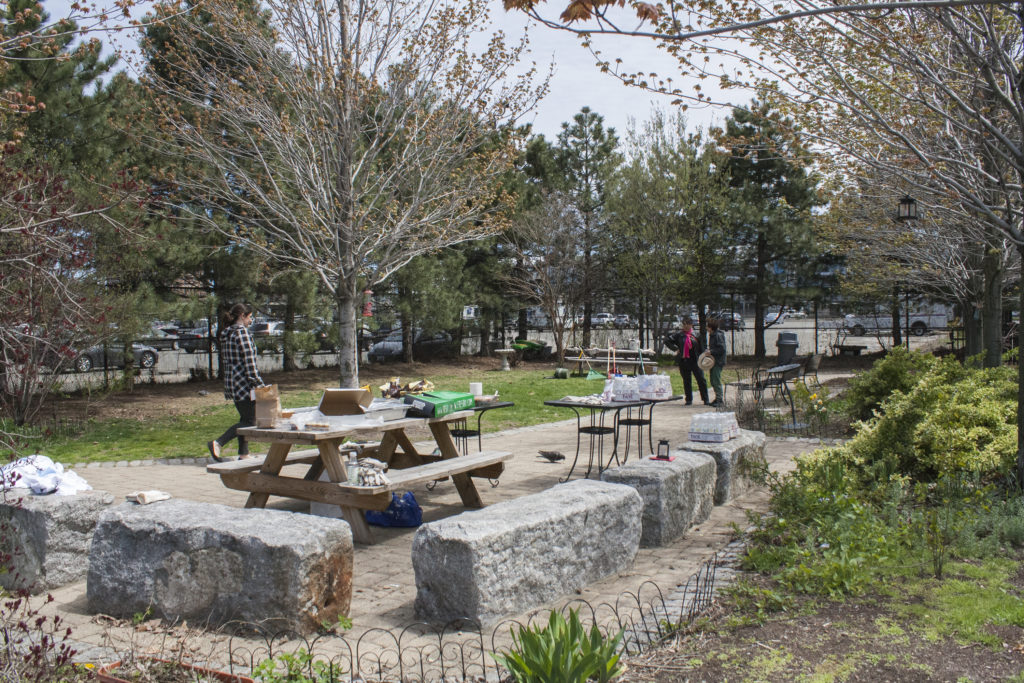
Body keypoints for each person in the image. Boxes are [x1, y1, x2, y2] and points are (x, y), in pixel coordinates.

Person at [207, 303, 266, 462]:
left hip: (233, 385)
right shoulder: (242, 334)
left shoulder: (226, 334)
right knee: (251, 423)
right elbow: (250, 365)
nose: (251, 320)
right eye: (249, 317)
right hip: (245, 386)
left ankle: (243, 453)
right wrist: (261, 386)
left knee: (244, 419)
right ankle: (218, 443)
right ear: (242, 316)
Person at [664, 317, 710, 405]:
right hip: (684, 360)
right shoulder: (679, 334)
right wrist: (675, 349)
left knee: (701, 379)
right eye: (683, 324)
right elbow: (667, 340)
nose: (685, 326)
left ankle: (705, 399)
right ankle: (689, 399)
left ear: (691, 325)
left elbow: (702, 348)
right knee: (686, 380)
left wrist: (704, 358)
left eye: (687, 324)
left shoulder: (696, 334)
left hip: (695, 360)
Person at [707, 318, 727, 406]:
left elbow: (722, 349)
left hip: (718, 361)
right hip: (713, 361)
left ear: (711, 327)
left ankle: (720, 399)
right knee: (712, 380)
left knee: (716, 380)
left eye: (708, 327)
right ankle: (717, 398)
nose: (706, 328)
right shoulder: (712, 335)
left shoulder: (718, 335)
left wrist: (711, 352)